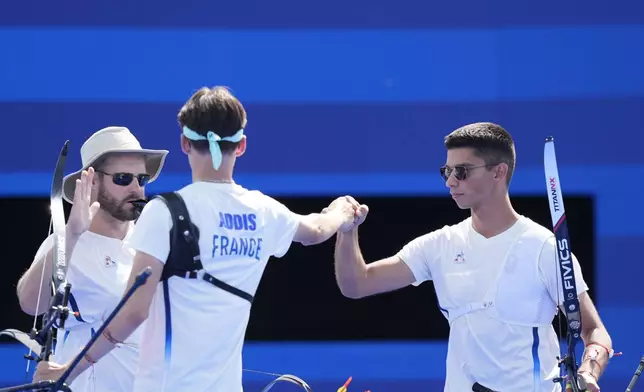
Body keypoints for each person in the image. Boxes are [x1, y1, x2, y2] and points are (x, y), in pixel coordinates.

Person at [33, 86, 358, 391]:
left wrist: (67, 371)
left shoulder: (165, 213)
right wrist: (342, 213)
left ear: (185, 144)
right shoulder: (264, 211)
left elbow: (133, 313)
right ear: (242, 145)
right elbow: (315, 230)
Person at [332, 122, 612, 392]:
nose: (450, 182)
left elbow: (594, 331)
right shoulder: (439, 245)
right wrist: (347, 231)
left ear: (498, 172)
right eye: (447, 171)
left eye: (462, 171)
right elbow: (357, 284)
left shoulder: (543, 249)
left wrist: (588, 370)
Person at [17, 126, 168, 392]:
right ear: (92, 181)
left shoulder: (152, 244)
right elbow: (30, 304)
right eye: (123, 178)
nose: (136, 188)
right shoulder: (67, 241)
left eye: (141, 180)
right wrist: (72, 233)